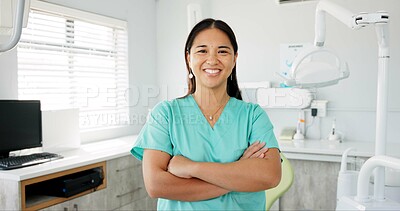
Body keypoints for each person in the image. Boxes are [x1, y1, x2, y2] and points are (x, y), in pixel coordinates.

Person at [131, 18, 281, 210]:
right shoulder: (165, 114)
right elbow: (156, 185)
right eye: (202, 50)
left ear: (234, 59)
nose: (212, 60)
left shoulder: (253, 116)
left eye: (222, 51)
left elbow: (270, 175)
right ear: (188, 58)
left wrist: (191, 167)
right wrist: (238, 173)